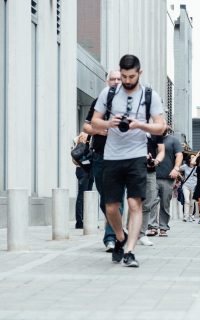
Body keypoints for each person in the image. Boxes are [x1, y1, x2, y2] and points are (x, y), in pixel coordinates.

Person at [91, 54, 167, 267]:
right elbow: (93, 123)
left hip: (136, 155)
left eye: (131, 76)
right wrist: (109, 123)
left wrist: (139, 125)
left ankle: (130, 251)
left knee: (135, 203)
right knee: (111, 207)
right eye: (123, 76)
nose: (126, 80)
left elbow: (161, 127)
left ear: (139, 73)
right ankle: (120, 237)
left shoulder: (150, 95)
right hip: (112, 156)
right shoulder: (109, 92)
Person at [83, 70, 122, 251]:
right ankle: (116, 229)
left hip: (120, 157)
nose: (115, 82)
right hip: (99, 156)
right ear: (107, 82)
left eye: (118, 79)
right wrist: (99, 131)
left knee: (116, 198)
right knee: (105, 199)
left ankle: (111, 238)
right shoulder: (99, 102)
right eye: (112, 79)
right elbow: (86, 126)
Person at [151, 130, 183, 236]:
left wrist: (176, 169)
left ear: (167, 127)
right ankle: (152, 227)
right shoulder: (151, 138)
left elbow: (179, 155)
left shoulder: (173, 140)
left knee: (165, 203)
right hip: (152, 176)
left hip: (168, 177)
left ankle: (163, 227)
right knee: (152, 202)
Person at [137, 133, 164, 246]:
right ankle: (129, 232)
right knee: (133, 201)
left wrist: (155, 161)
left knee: (148, 202)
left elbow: (161, 150)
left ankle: (142, 234)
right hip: (133, 168)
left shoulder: (155, 130)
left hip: (150, 170)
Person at [73, 132, 94, 229]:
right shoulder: (79, 147)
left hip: (89, 171)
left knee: (88, 196)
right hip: (82, 171)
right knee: (82, 195)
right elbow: (76, 161)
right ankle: (79, 221)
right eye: (86, 137)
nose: (87, 139)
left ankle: (88, 220)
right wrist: (88, 162)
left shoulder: (87, 146)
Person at [179, 154, 198, 222]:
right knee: (187, 201)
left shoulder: (197, 167)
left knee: (192, 202)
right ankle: (185, 216)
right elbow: (177, 169)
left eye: (194, 157)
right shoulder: (185, 166)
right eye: (192, 157)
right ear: (189, 159)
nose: (194, 158)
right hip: (186, 186)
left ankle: (191, 215)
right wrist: (181, 177)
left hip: (194, 186)